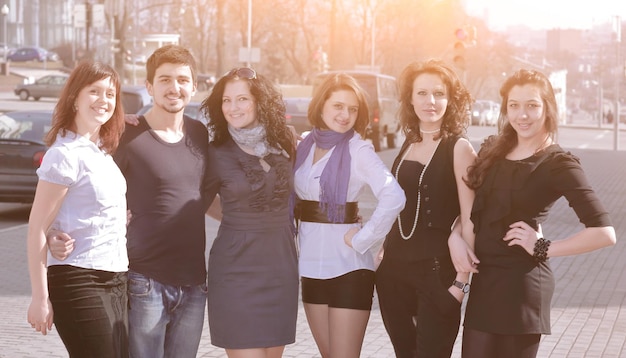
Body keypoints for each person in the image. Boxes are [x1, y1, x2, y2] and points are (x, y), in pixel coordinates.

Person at [48, 44, 211, 358]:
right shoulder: (123, 134)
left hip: (194, 284)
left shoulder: (200, 134)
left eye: (181, 79)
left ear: (193, 86)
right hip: (143, 282)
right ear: (149, 86)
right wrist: (52, 231)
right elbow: (71, 182)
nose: (173, 87)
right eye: (164, 80)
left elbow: (203, 195)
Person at [461, 68, 616, 358]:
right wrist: (454, 237)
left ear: (547, 108)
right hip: (485, 282)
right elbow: (474, 208)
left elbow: (604, 233)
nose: (522, 115)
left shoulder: (558, 163)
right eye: (514, 105)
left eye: (532, 105)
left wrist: (543, 246)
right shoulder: (493, 151)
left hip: (522, 286)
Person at [293, 72, 405, 358]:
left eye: (352, 109)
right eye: (338, 106)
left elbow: (394, 196)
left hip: (348, 268)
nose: (345, 115)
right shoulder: (304, 145)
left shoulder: (358, 148)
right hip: (310, 266)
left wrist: (363, 239)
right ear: (321, 106)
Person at [374, 59, 478, 358]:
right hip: (393, 274)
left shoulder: (459, 148)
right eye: (421, 93)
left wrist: (462, 285)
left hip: (438, 276)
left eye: (438, 93)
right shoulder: (408, 142)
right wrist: (381, 249)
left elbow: (470, 217)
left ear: (450, 99)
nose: (430, 101)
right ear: (410, 98)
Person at [26, 60, 128, 357]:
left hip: (117, 276)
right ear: (74, 98)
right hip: (79, 280)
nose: (104, 100)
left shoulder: (101, 152)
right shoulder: (64, 154)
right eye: (94, 91)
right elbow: (36, 229)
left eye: (111, 94)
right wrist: (40, 297)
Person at [200, 67, 298, 358]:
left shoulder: (285, 143)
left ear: (259, 101)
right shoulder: (215, 152)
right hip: (235, 271)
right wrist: (237, 216)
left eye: (242, 99)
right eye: (227, 101)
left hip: (281, 267)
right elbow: (196, 199)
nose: (233, 107)